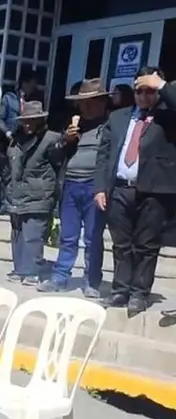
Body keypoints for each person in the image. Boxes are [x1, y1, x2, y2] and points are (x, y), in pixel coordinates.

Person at [94, 66, 176, 316]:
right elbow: (104, 154)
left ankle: (139, 293)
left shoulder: (168, 116)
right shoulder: (118, 117)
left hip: (154, 192)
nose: (144, 97)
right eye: (140, 91)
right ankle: (120, 290)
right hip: (120, 189)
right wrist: (100, 188)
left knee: (146, 246)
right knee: (121, 244)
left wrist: (162, 85)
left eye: (150, 91)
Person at [38, 79, 111, 297]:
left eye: (91, 102)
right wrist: (66, 140)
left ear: (101, 102)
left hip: (94, 186)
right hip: (70, 183)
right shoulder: (73, 126)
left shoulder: (110, 126)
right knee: (68, 236)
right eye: (82, 103)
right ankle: (60, 277)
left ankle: (92, 281)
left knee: (92, 237)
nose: (86, 107)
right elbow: (54, 156)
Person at [3, 101, 65, 286]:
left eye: (32, 121)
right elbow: (10, 164)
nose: (28, 125)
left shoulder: (52, 139)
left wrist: (52, 193)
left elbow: (58, 165)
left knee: (33, 234)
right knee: (17, 234)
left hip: (39, 194)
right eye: (25, 121)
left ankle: (32, 271)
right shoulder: (16, 138)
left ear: (40, 121)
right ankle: (19, 268)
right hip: (16, 192)